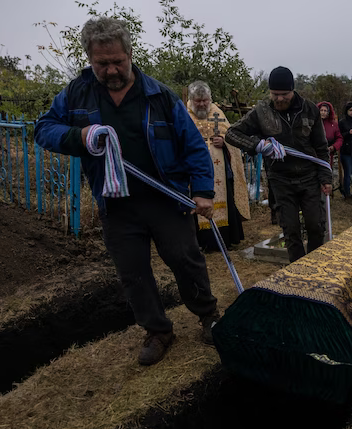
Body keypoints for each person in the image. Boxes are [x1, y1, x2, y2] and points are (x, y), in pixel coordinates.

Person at [34, 18, 220, 365]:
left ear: (130, 54)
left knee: (185, 259)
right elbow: (43, 128)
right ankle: (158, 330)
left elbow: (193, 145)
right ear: (89, 58)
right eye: (101, 63)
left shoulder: (159, 95)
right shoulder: (77, 93)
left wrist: (203, 191)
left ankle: (208, 316)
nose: (111, 69)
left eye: (118, 60)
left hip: (166, 198)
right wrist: (80, 136)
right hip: (115, 203)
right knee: (132, 272)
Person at [225, 66, 332, 263]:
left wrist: (325, 178)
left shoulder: (310, 110)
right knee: (290, 230)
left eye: (284, 94)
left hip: (309, 177)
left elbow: (321, 147)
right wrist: (256, 145)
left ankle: (316, 267)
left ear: (293, 90)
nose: (280, 99)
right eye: (275, 94)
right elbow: (231, 133)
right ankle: (297, 273)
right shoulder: (261, 112)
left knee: (316, 225)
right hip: (281, 179)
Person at [187, 80, 250, 251]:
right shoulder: (185, 114)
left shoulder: (218, 113)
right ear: (191, 99)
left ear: (210, 99)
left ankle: (224, 240)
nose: (201, 104)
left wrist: (223, 142)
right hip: (194, 170)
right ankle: (200, 242)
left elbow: (231, 137)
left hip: (220, 169)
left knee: (223, 200)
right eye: (198, 101)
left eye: (205, 100)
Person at [317, 101, 343, 197]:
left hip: (328, 155)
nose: (323, 112)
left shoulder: (333, 124)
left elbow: (339, 138)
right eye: (321, 110)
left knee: (326, 175)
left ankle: (326, 197)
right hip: (314, 154)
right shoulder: (314, 123)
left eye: (325, 110)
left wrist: (334, 147)